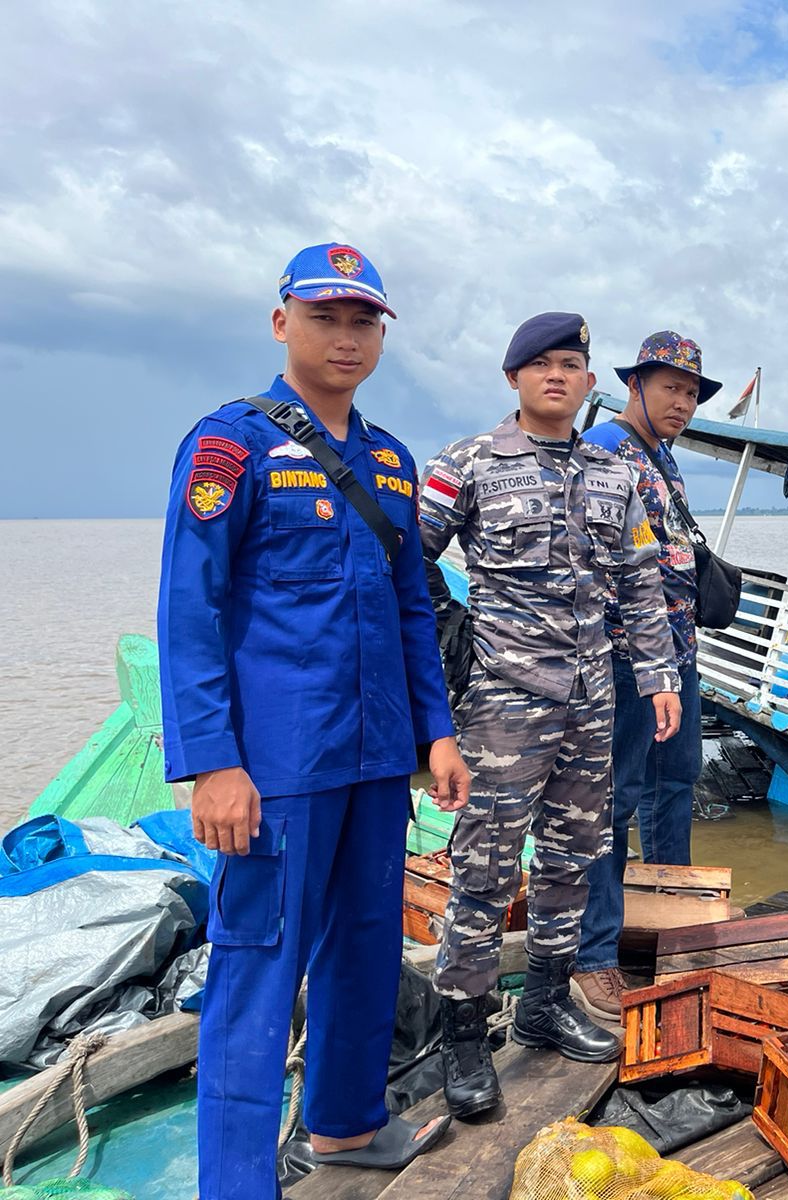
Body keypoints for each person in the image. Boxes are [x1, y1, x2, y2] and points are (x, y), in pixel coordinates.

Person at [158, 242, 471, 1199]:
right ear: (280, 321)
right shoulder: (229, 445)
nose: (346, 336)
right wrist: (212, 763)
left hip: (377, 759)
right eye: (325, 316)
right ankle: (238, 1183)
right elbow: (189, 608)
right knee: (257, 967)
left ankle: (341, 1130)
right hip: (277, 765)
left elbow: (413, 605)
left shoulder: (388, 461)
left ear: (381, 334)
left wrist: (437, 731)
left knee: (369, 946)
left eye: (363, 320)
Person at [418, 312, 682, 1117]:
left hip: (592, 703)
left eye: (571, 364)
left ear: (590, 380)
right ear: (514, 380)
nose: (557, 377)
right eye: (541, 365)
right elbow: (403, 566)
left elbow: (640, 581)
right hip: (502, 706)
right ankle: (463, 1032)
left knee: (573, 858)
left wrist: (660, 674)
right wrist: (446, 650)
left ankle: (543, 1005)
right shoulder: (468, 463)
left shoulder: (616, 476)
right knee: (485, 871)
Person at [571, 330, 722, 1020]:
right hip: (624, 659)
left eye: (691, 392)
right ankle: (596, 952)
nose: (682, 402)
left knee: (677, 779)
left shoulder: (664, 461)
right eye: (670, 387)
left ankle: (673, 931)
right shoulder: (605, 449)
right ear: (635, 386)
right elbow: (589, 558)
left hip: (678, 653)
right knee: (616, 795)